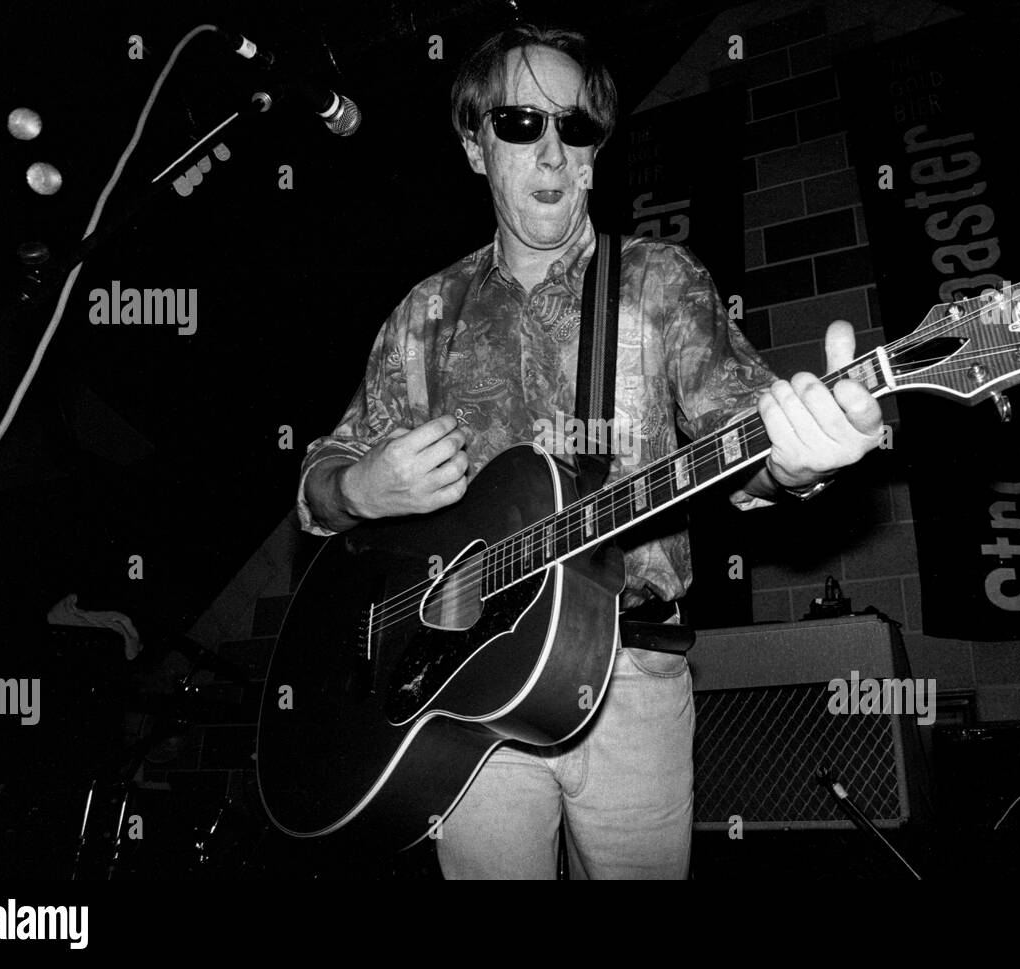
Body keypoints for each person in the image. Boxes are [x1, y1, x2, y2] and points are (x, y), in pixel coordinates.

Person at [297, 23, 884, 879]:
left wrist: (795, 456)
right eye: (520, 123)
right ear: (473, 146)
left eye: (575, 129)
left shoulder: (658, 281)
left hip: (629, 678)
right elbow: (316, 492)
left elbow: (739, 417)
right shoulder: (424, 314)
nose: (552, 151)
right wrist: (361, 487)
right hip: (463, 700)